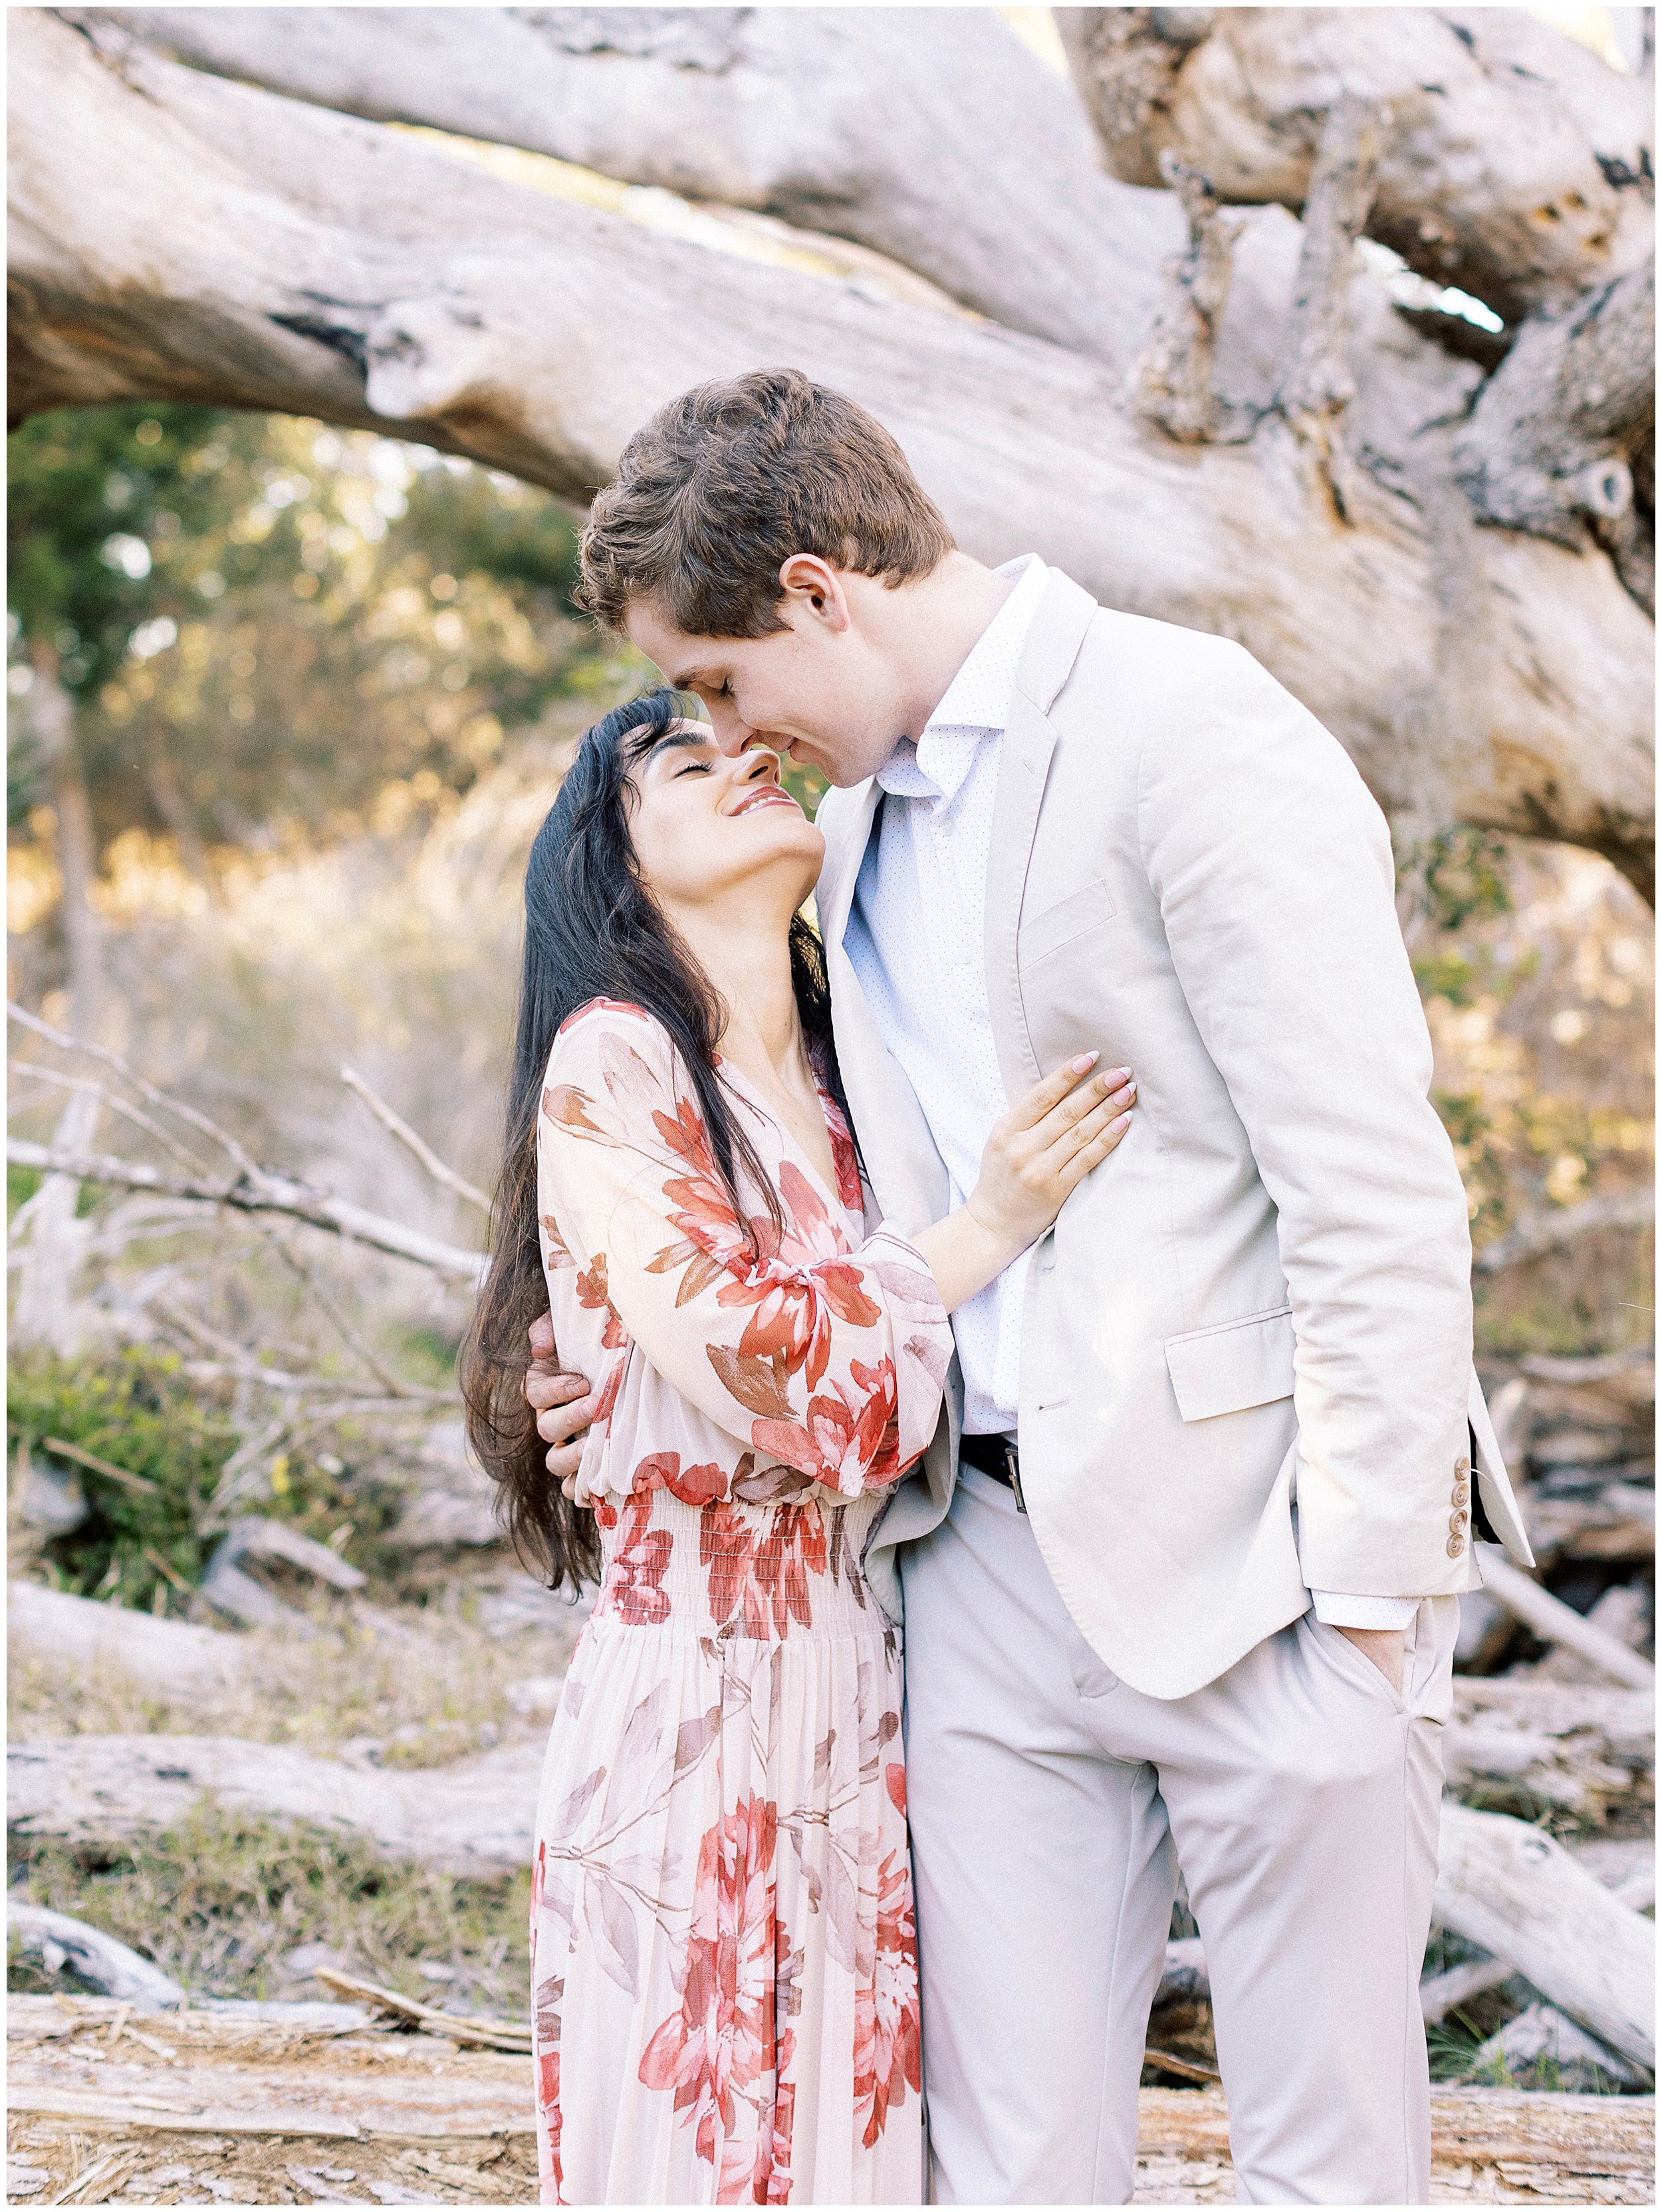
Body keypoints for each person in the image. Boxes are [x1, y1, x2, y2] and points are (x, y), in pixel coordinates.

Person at [527, 369, 1535, 2207]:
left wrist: (1378, 1609)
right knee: (1006, 2169)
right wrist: (614, 1358)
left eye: (725, 681)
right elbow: (779, 1199)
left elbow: (1367, 1174)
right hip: (968, 1580)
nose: (725, 735)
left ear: (822, 590)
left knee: (1324, 2161)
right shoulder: (853, 839)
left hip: (1263, 1572)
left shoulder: (1183, 724)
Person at [463, 684, 1135, 2205]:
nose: (743, 767)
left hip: (865, 1706)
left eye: (749, 747)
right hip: (691, 1714)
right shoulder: (617, 1059)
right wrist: (981, 1231)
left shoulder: (851, 1081)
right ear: (612, 868)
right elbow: (791, 1371)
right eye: (686, 766)